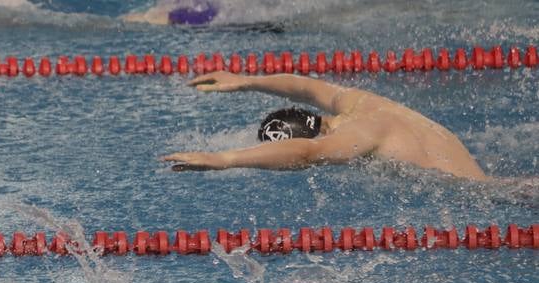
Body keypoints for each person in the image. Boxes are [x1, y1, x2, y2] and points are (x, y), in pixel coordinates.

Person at [161, 71, 487, 180]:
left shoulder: (358, 134)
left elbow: (306, 153)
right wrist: (247, 81)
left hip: (487, 195)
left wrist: (224, 159)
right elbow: (306, 87)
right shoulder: (354, 104)